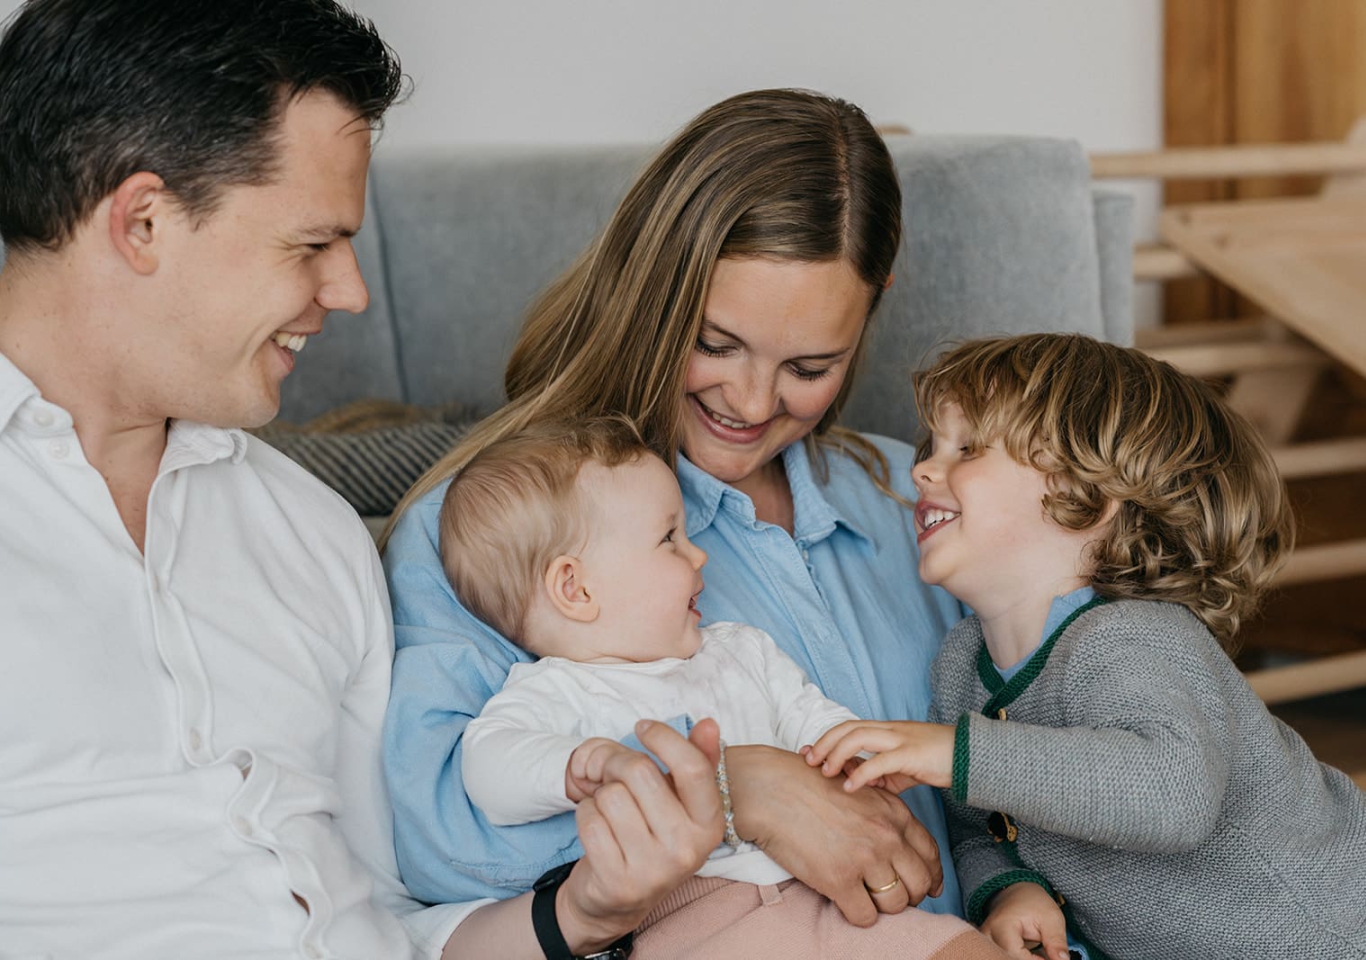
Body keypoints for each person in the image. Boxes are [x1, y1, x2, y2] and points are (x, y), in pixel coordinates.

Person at [0, 1, 722, 957]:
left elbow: (393, 918)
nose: (350, 291)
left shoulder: (311, 532)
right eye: (311, 244)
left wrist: (585, 912)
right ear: (142, 220)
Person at [381, 87, 966, 934]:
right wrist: (739, 790)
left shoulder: (915, 494)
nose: (753, 401)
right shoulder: (492, 528)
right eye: (716, 345)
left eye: (809, 365)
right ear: (652, 296)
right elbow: (435, 840)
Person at [804, 333, 1366, 960]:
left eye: (967, 447)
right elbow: (979, 821)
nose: (921, 468)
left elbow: (1173, 794)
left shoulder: (1132, 635)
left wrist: (956, 753)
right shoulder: (959, 669)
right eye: (931, 445)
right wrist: (1011, 888)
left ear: (1088, 497)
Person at [437, 416, 1003, 959]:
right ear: (576, 589)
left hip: (821, 896)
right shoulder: (555, 691)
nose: (699, 552)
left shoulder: (738, 647)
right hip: (690, 917)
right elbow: (487, 768)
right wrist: (581, 764)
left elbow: (811, 715)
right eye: (670, 539)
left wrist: (859, 754)